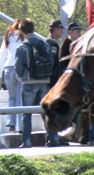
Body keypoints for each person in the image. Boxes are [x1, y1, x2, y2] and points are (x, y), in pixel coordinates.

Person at [14, 18, 63, 148]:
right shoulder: (45, 45)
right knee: (47, 112)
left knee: (27, 113)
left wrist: (22, 77)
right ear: (34, 29)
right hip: (45, 82)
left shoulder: (23, 47)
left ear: (22, 31)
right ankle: (54, 138)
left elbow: (18, 67)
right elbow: (52, 63)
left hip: (29, 82)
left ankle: (27, 141)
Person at [0, 19, 25, 132]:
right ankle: (21, 126)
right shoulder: (25, 36)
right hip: (20, 69)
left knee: (11, 98)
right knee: (20, 98)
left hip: (7, 68)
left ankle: (11, 124)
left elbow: (1, 55)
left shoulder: (8, 36)